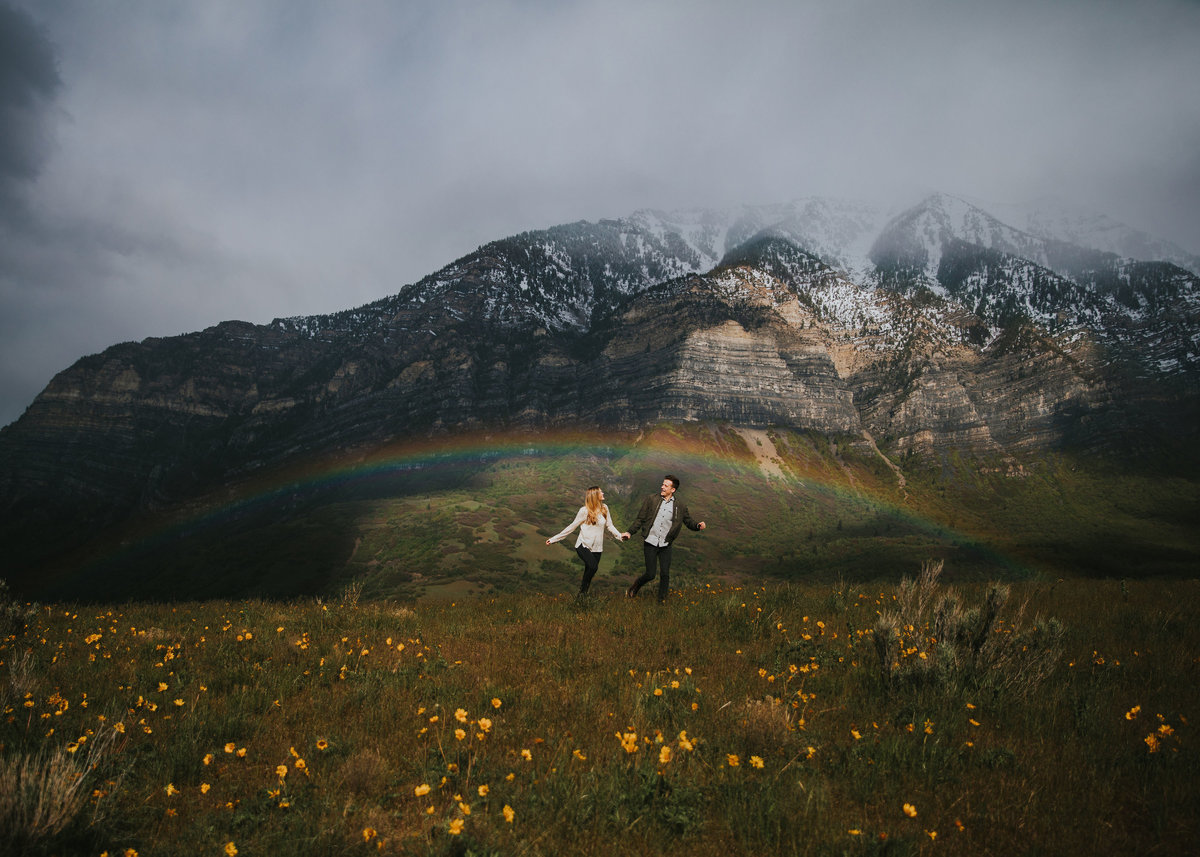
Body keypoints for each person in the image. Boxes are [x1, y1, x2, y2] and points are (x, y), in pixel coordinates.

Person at [621, 474, 706, 603]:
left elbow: (688, 521)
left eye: (666, 485)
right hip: (650, 541)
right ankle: (636, 586)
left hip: (666, 544)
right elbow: (640, 519)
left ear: (673, 490)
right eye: (662, 484)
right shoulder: (651, 499)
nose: (662, 487)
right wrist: (629, 532)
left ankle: (662, 601)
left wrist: (697, 526)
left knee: (665, 574)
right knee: (650, 574)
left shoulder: (680, 506)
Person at [546, 486, 625, 596]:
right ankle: (581, 594)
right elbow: (572, 527)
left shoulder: (605, 508)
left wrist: (620, 536)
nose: (603, 493)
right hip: (583, 545)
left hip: (597, 548)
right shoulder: (584, 511)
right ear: (594, 496)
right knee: (593, 567)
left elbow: (610, 525)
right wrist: (554, 539)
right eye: (600, 492)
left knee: (589, 573)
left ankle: (581, 598)